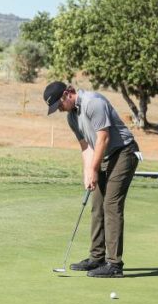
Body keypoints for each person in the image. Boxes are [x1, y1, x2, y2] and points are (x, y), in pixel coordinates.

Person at [43, 81, 139, 278]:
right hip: (102, 155)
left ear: (67, 94)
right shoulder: (71, 117)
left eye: (59, 105)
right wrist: (88, 171)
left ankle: (114, 264)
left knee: (111, 205)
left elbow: (103, 138)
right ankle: (97, 258)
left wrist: (95, 168)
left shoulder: (93, 103)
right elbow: (86, 147)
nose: (59, 110)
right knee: (97, 205)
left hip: (123, 152)